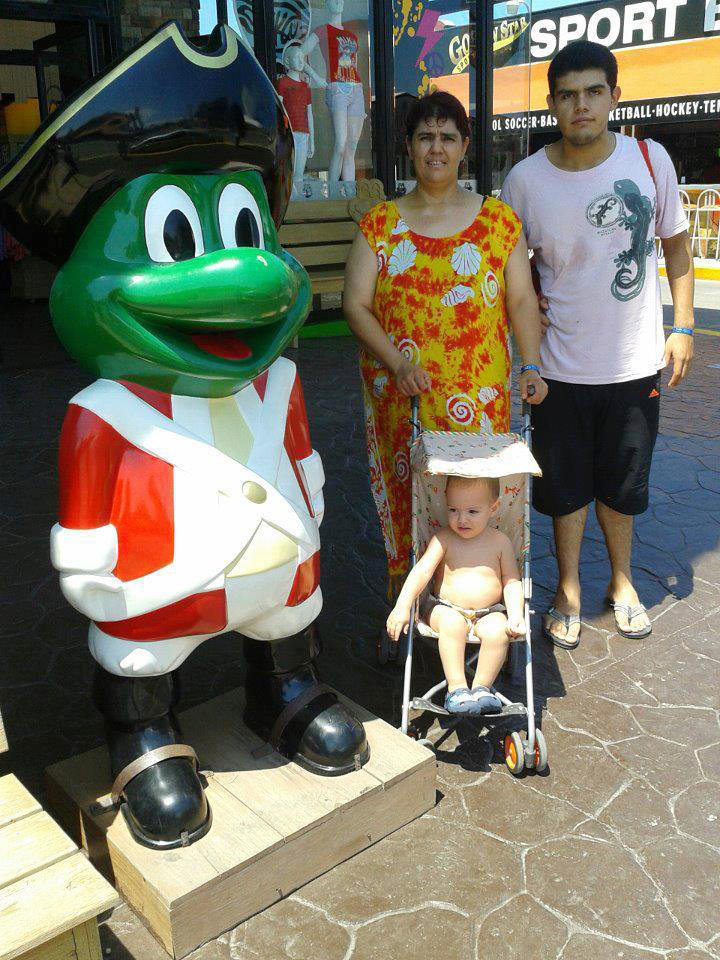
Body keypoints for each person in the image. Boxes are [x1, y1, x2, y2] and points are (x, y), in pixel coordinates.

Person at [500, 40, 694, 649]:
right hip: (557, 368)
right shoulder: (525, 180)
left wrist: (683, 328)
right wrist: (524, 358)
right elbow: (514, 281)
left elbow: (677, 248)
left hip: (635, 365)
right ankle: (568, 590)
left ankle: (622, 582)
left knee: (623, 484)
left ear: (615, 95)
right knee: (563, 488)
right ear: (552, 103)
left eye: (592, 92)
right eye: (566, 95)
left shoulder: (648, 158)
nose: (579, 105)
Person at [343, 90, 547, 626]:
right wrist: (398, 363)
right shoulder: (379, 225)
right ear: (409, 146)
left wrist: (531, 363)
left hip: (476, 400)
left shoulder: (499, 223)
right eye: (425, 136)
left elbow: (521, 299)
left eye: (448, 137)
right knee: (407, 491)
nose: (437, 147)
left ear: (464, 148)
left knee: (470, 496)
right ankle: (408, 609)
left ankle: (476, 600)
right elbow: (355, 306)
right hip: (399, 395)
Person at [386, 476, 524, 714]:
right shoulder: (444, 539)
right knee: (453, 623)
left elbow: (511, 581)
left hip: (488, 612)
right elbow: (421, 572)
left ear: (493, 508)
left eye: (472, 511)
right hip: (445, 608)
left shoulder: (500, 542)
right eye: (453, 510)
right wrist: (402, 606)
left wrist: (515, 616)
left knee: (498, 630)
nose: (461, 519)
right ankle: (457, 687)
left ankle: (482, 688)